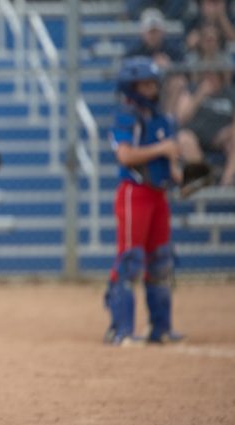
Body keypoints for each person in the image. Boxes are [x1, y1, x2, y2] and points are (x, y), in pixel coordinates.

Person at [104, 56, 184, 346]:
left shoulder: (162, 119)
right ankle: (121, 329)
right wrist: (160, 149)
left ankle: (160, 328)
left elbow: (173, 159)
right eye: (145, 84)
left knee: (160, 260)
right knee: (130, 260)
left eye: (153, 83)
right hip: (134, 192)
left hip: (158, 193)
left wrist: (177, 169)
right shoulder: (126, 116)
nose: (151, 89)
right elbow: (125, 155)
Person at [176, 67, 235, 187]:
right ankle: (206, 182)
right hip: (195, 135)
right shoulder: (192, 90)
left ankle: (226, 182)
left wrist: (228, 130)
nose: (210, 78)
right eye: (207, 75)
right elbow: (180, 118)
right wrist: (200, 95)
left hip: (220, 137)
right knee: (184, 138)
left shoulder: (230, 94)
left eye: (214, 75)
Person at [126, 8, 186, 115]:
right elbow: (127, 70)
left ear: (163, 32)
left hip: (166, 86)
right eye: (151, 32)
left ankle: (168, 118)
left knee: (178, 82)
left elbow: (184, 70)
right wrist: (150, 65)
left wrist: (169, 66)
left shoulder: (172, 49)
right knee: (143, 86)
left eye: (156, 31)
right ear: (143, 33)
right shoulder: (135, 50)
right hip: (144, 85)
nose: (153, 36)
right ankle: (143, 122)